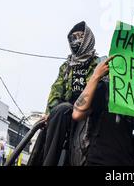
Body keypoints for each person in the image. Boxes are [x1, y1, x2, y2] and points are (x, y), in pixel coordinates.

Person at [28, 21, 100, 166]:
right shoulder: (66, 67)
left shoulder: (99, 64)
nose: (75, 41)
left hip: (87, 110)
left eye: (79, 36)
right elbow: (56, 90)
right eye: (72, 38)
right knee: (59, 111)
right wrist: (50, 111)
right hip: (66, 111)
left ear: (87, 38)